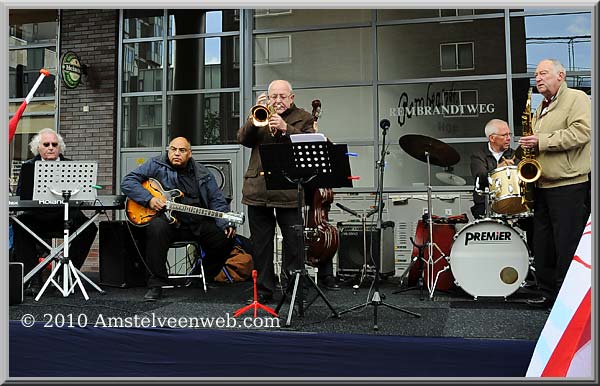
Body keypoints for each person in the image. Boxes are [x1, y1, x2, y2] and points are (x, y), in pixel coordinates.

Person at [238, 79, 339, 304]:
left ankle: (293, 290)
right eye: (273, 96)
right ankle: (264, 290)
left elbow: (312, 145)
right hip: (258, 189)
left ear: (291, 98)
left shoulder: (304, 117)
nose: (278, 101)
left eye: (282, 97)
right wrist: (253, 118)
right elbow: (243, 139)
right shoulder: (260, 113)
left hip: (289, 190)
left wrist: (285, 128)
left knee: (294, 243)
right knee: (261, 244)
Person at [121, 137, 236, 301]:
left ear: (189, 153)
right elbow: (128, 182)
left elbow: (217, 200)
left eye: (182, 150)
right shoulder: (156, 165)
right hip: (168, 222)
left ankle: (203, 274)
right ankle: (156, 284)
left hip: (196, 222)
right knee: (157, 228)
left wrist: (226, 221)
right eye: (173, 149)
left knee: (227, 235)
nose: (176, 153)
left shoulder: (203, 172)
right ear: (168, 151)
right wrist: (149, 199)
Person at [519, 59, 591, 309]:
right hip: (543, 185)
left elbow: (583, 133)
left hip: (569, 184)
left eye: (544, 73)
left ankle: (567, 299)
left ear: (561, 75)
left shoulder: (577, 98)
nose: (538, 78)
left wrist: (541, 141)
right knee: (543, 244)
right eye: (536, 74)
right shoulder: (541, 107)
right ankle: (547, 293)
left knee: (566, 243)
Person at [11, 128, 98, 296]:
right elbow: (20, 197)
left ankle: (64, 275)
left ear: (60, 147)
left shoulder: (73, 166)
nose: (50, 147)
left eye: (54, 144)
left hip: (65, 215)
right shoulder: (28, 167)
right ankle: (33, 279)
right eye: (46, 144)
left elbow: (82, 196)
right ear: (38, 148)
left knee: (89, 228)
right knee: (19, 226)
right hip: (37, 216)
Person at [470, 118, 518, 219]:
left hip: (511, 203)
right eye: (504, 135)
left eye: (510, 134)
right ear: (492, 138)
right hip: (485, 203)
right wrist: (497, 168)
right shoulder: (478, 155)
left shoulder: (515, 155)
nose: (509, 138)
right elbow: (480, 177)